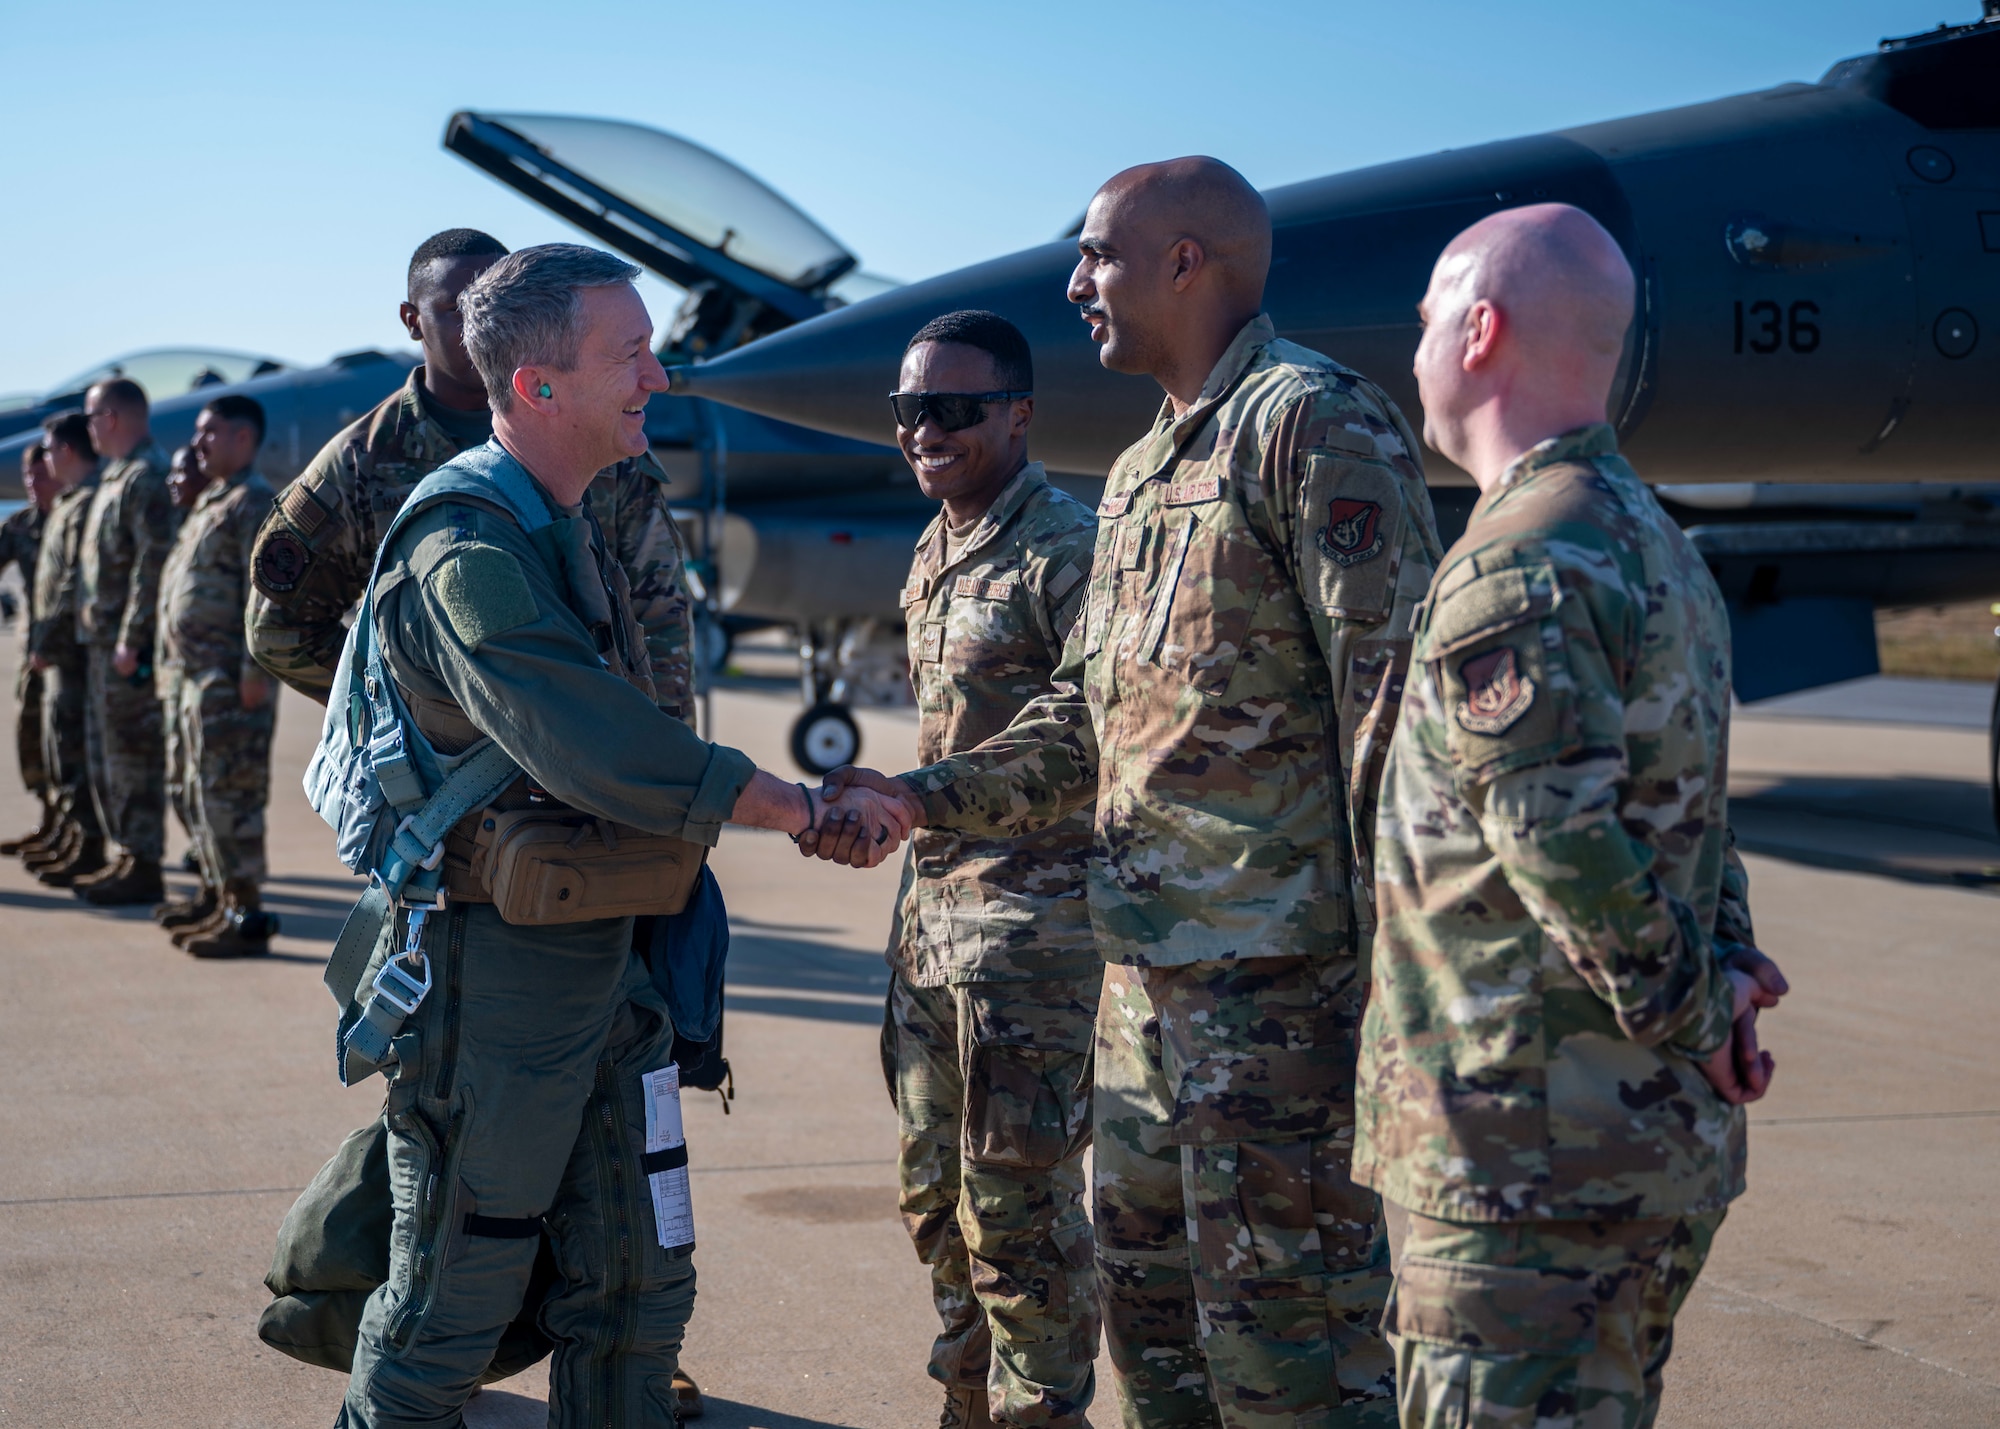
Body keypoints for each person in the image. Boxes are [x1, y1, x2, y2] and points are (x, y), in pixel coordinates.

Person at [813, 158, 1443, 1427]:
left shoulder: (1309, 421)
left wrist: (1401, 990)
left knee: (1292, 1347)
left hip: (1280, 1001)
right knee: (1158, 1343)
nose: (1072, 280)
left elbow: (1395, 712)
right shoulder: (1150, 467)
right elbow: (1083, 719)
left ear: (1184, 261)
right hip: (1142, 992)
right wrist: (920, 797)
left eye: (1096, 254)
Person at [330, 242, 908, 1429]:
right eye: (629, 354)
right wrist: (794, 804)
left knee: (641, 1285)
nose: (656, 375)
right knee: (453, 1296)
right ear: (539, 385)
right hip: (497, 985)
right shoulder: (466, 545)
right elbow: (588, 734)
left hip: (613, 966)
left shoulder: (572, 521)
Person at [250, 227, 710, 1417]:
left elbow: (653, 653)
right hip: (498, 894)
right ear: (422, 324)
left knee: (634, 1248)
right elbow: (282, 611)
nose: (463, 320)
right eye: (444, 307)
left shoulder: (603, 457)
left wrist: (667, 802)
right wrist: (427, 728)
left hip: (624, 858)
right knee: (460, 1246)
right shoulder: (400, 478)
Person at [1349, 203, 1790, 1429]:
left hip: (1524, 1167)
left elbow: (1561, 838)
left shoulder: (1520, 561)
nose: (1419, 344)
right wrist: (1723, 976)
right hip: (1630, 1148)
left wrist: (1701, 1007)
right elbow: (1687, 809)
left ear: (1479, 330)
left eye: (1430, 317)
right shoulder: (1653, 542)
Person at [874, 311, 1101, 1429]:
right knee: (933, 1194)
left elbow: (1085, 734)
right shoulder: (938, 543)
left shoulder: (1067, 549)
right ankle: (968, 1402)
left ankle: (1040, 1411)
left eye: (952, 410)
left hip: (1031, 942)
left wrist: (917, 797)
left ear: (1016, 414)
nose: (925, 430)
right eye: (910, 411)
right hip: (931, 924)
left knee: (1019, 1211)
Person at [247, 227, 698, 720]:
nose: (477, 326)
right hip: (453, 786)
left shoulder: (595, 431)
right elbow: (278, 629)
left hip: (590, 753)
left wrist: (666, 762)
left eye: (499, 306)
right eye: (454, 309)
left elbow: (661, 614)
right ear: (411, 320)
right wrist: (414, 709)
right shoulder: (362, 461)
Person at [153, 397, 279, 956]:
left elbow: (267, 593)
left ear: (243, 439)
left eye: (211, 433)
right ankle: (215, 895)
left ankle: (244, 912)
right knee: (193, 789)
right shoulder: (211, 502)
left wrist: (256, 671)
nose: (200, 443)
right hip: (192, 678)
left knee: (229, 794)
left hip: (229, 681)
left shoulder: (253, 502)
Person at [72, 376, 171, 905]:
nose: (89, 429)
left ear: (109, 418)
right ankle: (128, 854)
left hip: (124, 648)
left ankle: (143, 860)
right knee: (110, 753)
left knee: (132, 755)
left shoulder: (146, 478)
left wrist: (133, 637)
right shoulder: (118, 477)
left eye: (91, 418)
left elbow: (149, 565)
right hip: (103, 644)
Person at [23, 413, 107, 885]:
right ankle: (75, 835)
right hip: (63, 653)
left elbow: (73, 583)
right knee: (61, 747)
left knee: (74, 748)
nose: (46, 460)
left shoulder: (84, 503)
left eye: (50, 451)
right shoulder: (71, 503)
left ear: (68, 452)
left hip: (72, 654)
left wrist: (48, 640)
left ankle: (88, 841)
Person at [1, 442, 54, 855]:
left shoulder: (77, 521)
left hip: (70, 657)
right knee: (31, 739)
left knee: (68, 746)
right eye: (29, 477)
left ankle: (73, 829)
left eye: (42, 474)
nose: (35, 484)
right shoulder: (19, 526)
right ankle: (48, 821)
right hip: (30, 655)